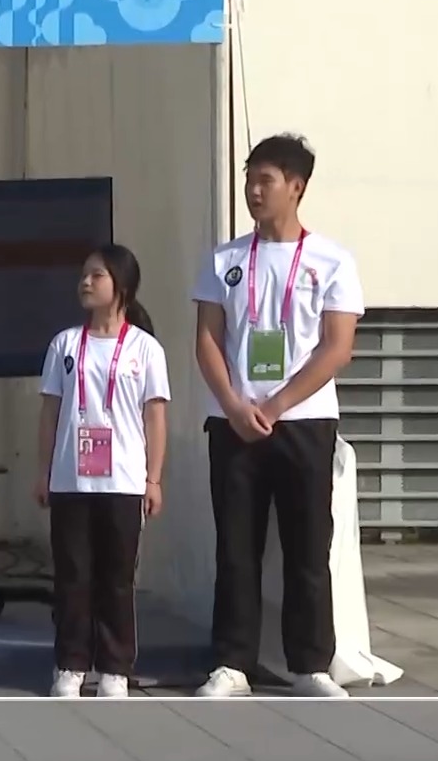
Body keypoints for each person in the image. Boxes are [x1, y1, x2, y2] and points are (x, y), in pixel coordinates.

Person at [192, 134, 363, 699]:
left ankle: (310, 664)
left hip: (305, 422)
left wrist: (276, 405)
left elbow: (336, 348)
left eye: (265, 180)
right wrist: (235, 404)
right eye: (249, 180)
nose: (253, 191)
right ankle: (231, 663)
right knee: (235, 546)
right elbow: (207, 341)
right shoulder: (224, 260)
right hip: (233, 422)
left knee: (307, 545)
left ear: (297, 186)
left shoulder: (332, 260)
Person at [34, 244, 171, 699]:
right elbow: (50, 413)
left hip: (124, 481)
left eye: (97, 275)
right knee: (72, 575)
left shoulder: (145, 349)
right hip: (71, 479)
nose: (86, 282)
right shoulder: (65, 344)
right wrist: (43, 472)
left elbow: (155, 416)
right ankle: (70, 664)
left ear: (122, 285)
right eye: (84, 274)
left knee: (117, 577)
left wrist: (154, 479)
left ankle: (115, 667)